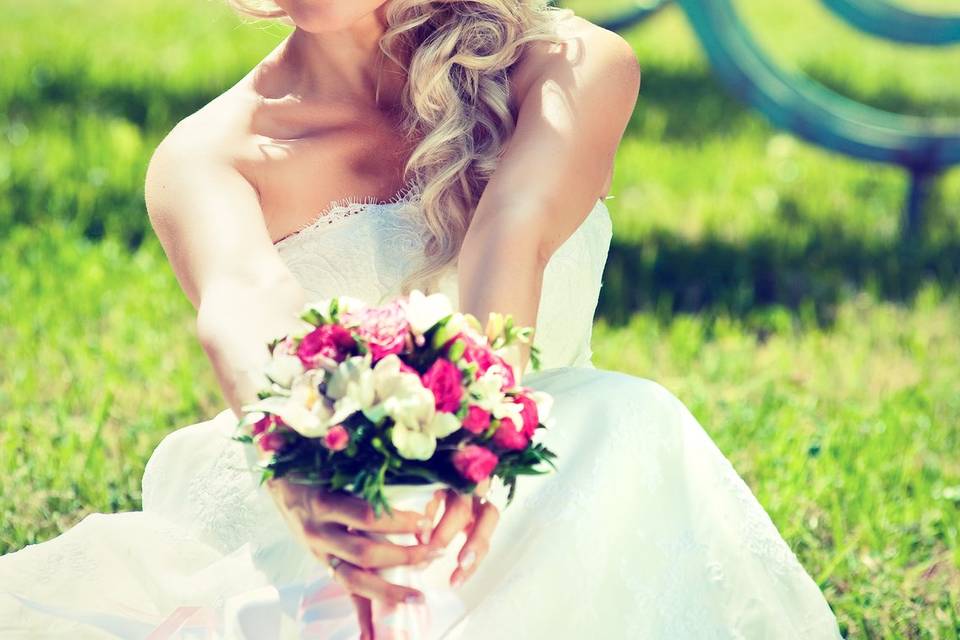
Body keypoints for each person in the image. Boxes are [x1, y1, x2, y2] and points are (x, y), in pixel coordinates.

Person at [0, 1, 843, 638]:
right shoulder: (206, 154)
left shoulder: (569, 63)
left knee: (622, 418)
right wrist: (315, 478)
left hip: (548, 468)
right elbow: (244, 311)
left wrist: (466, 454)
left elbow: (509, 237)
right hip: (322, 500)